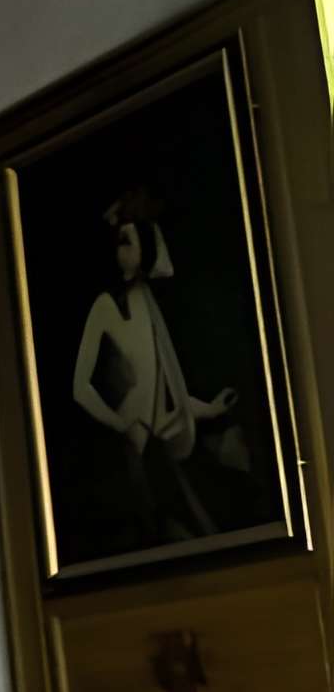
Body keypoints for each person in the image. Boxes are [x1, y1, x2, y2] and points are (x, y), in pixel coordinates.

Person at [71, 188, 238, 549]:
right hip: (134, 447)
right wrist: (121, 424)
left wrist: (209, 409)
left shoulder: (149, 304)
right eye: (119, 241)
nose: (121, 249)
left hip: (161, 444)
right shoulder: (106, 305)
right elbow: (80, 387)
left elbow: (165, 387)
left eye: (128, 241)